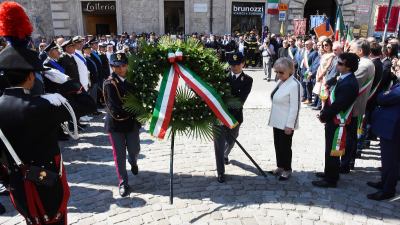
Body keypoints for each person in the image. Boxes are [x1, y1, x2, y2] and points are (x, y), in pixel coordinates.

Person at [0, 2, 92, 223]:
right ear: (31, 76)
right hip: (48, 183)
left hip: (19, 187)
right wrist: (66, 81)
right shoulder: (45, 106)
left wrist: (9, 177)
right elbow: (87, 103)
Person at [313, 53, 360, 188]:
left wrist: (324, 115)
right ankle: (329, 172)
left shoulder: (349, 83)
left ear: (348, 67)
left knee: (333, 150)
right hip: (333, 119)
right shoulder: (343, 78)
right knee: (330, 150)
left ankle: (331, 179)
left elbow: (338, 105)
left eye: (340, 63)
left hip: (337, 122)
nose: (337, 65)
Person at [103, 53, 141, 197]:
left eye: (123, 66)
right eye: (116, 66)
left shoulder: (133, 79)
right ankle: (123, 182)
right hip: (116, 124)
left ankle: (133, 161)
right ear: (112, 67)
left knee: (134, 149)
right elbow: (114, 107)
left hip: (132, 123)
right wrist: (134, 112)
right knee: (119, 155)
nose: (120, 69)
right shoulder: (109, 83)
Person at [213, 52, 253, 183]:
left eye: (237, 64)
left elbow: (240, 100)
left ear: (243, 64)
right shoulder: (221, 75)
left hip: (235, 116)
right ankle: (220, 172)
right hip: (218, 116)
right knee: (218, 144)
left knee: (232, 140)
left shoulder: (247, 80)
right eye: (231, 64)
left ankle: (225, 154)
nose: (234, 67)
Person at [341, 40, 375, 173]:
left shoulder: (363, 65)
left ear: (360, 51)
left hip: (353, 106)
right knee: (351, 135)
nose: (350, 51)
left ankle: (346, 163)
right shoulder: (366, 63)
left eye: (352, 49)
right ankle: (347, 162)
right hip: (356, 104)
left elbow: (349, 80)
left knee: (350, 136)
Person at [268, 58, 302, 180]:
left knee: (286, 147)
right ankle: (280, 166)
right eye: (277, 72)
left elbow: (295, 107)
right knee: (278, 145)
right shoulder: (281, 81)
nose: (278, 75)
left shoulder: (294, 85)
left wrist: (290, 125)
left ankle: (287, 169)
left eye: (281, 72)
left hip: (286, 122)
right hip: (277, 120)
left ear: (290, 71)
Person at [368, 83, 400, 200]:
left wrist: (384, 94)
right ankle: (384, 183)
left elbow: (382, 98)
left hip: (393, 129)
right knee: (387, 160)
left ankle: (388, 190)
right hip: (389, 128)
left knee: (391, 162)